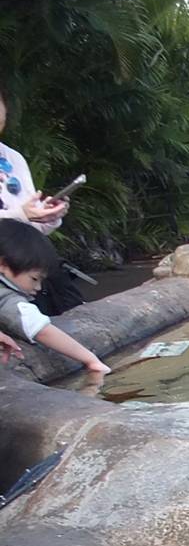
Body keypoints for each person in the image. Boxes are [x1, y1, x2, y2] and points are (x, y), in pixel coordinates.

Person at [0, 88, 82, 316]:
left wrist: (48, 217)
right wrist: (21, 215)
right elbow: (20, 216)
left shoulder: (12, 158)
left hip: (30, 265)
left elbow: (29, 222)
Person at [0, 220, 109, 376]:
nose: (38, 288)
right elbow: (40, 329)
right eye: (34, 279)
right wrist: (91, 360)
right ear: (3, 264)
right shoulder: (4, 295)